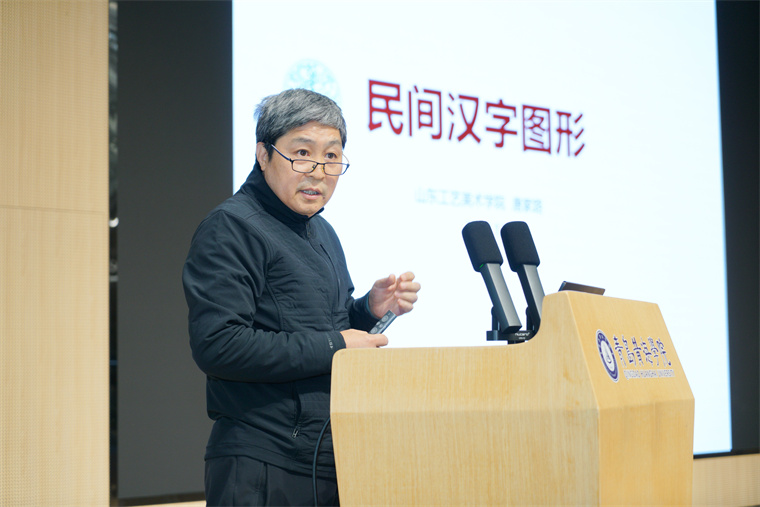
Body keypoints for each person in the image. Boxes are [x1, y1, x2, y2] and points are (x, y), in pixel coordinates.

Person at [182, 88, 420, 506]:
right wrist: (336, 344)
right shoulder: (231, 227)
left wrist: (368, 310)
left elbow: (323, 328)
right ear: (263, 154)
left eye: (331, 156)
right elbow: (219, 345)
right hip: (262, 460)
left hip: (326, 456)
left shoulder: (322, 232)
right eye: (302, 153)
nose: (318, 172)